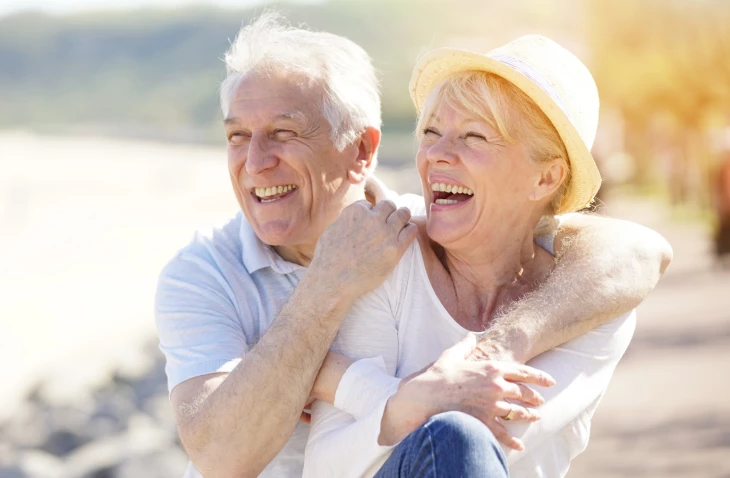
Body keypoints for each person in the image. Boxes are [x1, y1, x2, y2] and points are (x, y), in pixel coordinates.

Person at [155, 13, 673, 478]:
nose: (254, 161)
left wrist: (477, 355)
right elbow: (222, 460)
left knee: (459, 438)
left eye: (284, 133)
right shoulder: (204, 274)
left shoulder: (411, 241)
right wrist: (326, 290)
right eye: (237, 137)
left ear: (362, 150)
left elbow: (635, 249)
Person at [302, 36, 666, 478]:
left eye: (474, 136)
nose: (435, 154)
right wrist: (406, 401)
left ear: (545, 177)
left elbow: (487, 438)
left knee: (458, 437)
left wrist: (349, 385)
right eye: (432, 132)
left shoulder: (593, 304)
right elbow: (326, 467)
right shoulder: (390, 262)